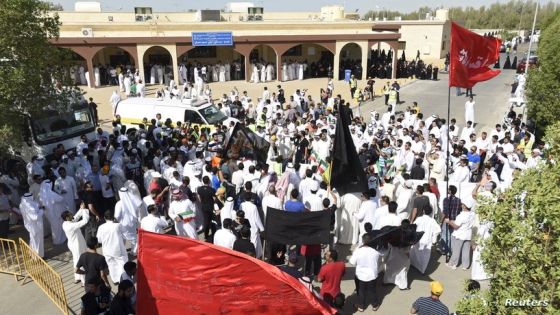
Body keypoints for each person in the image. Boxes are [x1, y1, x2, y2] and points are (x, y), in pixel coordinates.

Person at [349, 233, 386, 312]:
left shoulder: (358, 251)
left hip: (360, 275)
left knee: (361, 291)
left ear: (363, 241)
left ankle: (361, 306)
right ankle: (375, 305)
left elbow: (352, 262)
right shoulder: (376, 252)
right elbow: (380, 263)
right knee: (372, 290)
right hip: (372, 275)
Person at [96, 211, 128, 285]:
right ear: (113, 217)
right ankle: (122, 279)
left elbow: (99, 240)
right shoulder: (118, 225)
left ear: (104, 218)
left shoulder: (101, 227)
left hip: (107, 250)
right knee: (121, 263)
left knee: (111, 264)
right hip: (118, 249)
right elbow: (126, 233)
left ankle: (115, 280)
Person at [445, 199, 475, 270]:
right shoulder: (472, 214)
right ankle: (465, 265)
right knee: (466, 251)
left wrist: (448, 221)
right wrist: (453, 221)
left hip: (459, 234)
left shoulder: (461, 215)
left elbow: (456, 226)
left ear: (465, 206)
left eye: (462, 204)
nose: (461, 205)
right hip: (468, 234)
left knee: (456, 250)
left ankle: (452, 264)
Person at [410, 205, 441, 274]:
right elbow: (438, 230)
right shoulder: (432, 220)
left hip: (418, 239)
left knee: (415, 252)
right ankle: (422, 270)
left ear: (423, 211)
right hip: (427, 240)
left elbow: (413, 227)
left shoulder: (419, 219)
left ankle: (414, 265)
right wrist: (434, 239)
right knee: (425, 256)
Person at [62, 208, 89, 284]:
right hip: (77, 245)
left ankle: (77, 277)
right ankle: (84, 281)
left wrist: (81, 209)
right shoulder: (70, 226)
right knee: (81, 260)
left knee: (76, 260)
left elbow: (75, 218)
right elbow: (85, 221)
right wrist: (84, 211)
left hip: (74, 244)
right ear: (67, 217)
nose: (72, 215)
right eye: (70, 214)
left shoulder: (66, 223)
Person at [114, 187, 141, 255]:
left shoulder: (119, 204)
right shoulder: (133, 201)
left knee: (122, 239)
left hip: (123, 224)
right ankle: (134, 252)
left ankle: (122, 252)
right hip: (133, 223)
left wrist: (118, 220)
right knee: (134, 238)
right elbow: (137, 211)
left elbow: (117, 216)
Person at [19, 192, 45, 258]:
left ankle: (33, 255)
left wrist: (38, 208)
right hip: (35, 226)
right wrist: (42, 210)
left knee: (33, 240)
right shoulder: (29, 206)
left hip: (31, 226)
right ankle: (38, 257)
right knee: (37, 242)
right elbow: (35, 217)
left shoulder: (23, 204)